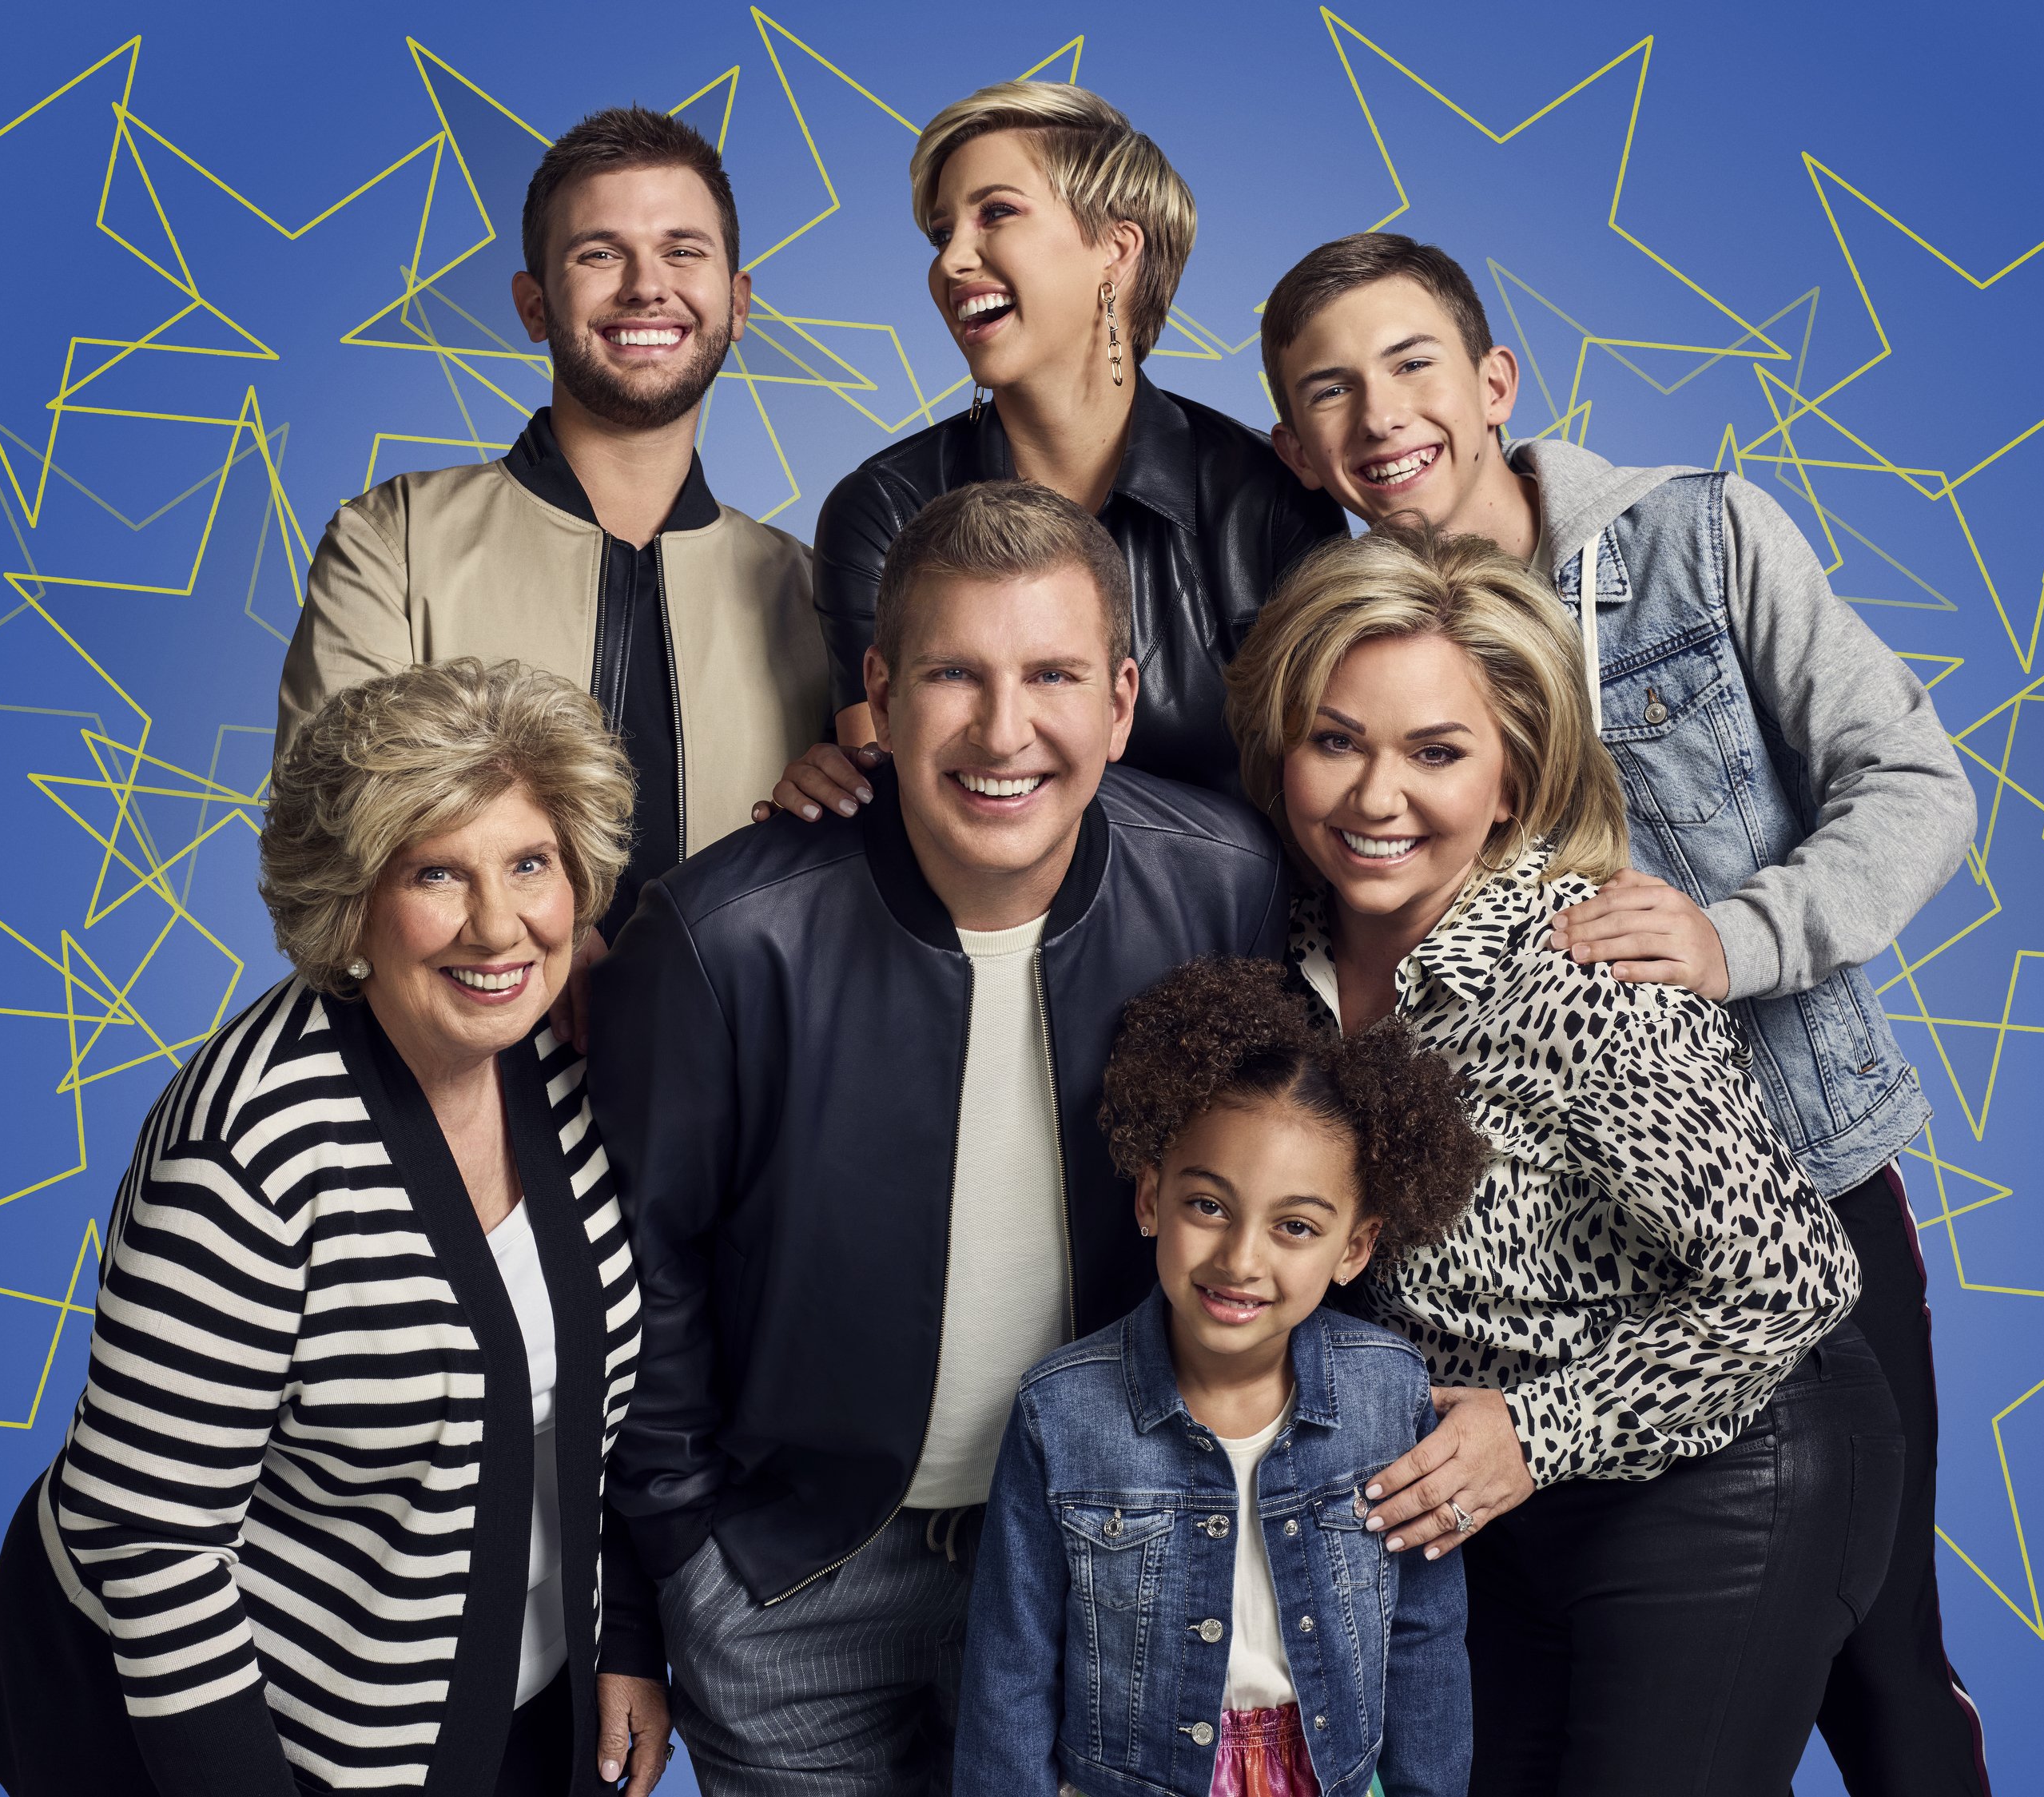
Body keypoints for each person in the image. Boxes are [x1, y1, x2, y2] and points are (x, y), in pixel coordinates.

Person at [1260, 231, 1987, 1796]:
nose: (1381, 415)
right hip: (1546, 1272)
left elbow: (1920, 783)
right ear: (1290, 443)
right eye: (1330, 389)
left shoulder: (1693, 542)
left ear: (1494, 383)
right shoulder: (1347, 643)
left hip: (1784, 1180)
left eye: (1411, 366)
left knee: (1877, 1652)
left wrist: (1736, 939)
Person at [585, 481, 1292, 1795]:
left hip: (1101, 1546)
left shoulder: (1220, 879)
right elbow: (641, 1276)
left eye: (1052, 674)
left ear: (1122, 701)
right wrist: (664, 1574)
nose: (1003, 727)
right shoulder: (721, 937)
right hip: (793, 1576)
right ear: (882, 693)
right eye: (954, 674)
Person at [1223, 530, 1903, 1795]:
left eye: (1436, 752)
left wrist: (1539, 1429)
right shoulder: (1290, 960)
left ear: (1515, 778)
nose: (1378, 798)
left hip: (1729, 1466)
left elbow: (1795, 1279)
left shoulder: (1576, 974)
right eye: (1336, 741)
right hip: (1508, 1494)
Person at [0, 661, 670, 1796]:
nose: (500, 924)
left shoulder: (557, 1058)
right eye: (438, 872)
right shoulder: (250, 1153)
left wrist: (624, 1641)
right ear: (352, 901)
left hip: (514, 1699)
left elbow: (585, 1413)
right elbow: (149, 1545)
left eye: (529, 863)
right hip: (250, 1735)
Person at [277, 105, 829, 984]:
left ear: (738, 302)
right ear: (535, 305)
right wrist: (550, 936)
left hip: (739, 1098)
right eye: (599, 253)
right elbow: (328, 822)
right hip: (454, 1082)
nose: (648, 285)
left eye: (684, 250)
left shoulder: (809, 591)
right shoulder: (393, 541)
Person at [956, 957, 1482, 1797]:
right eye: (1208, 1205)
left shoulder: (1389, 1396)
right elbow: (1010, 1673)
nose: (1241, 1259)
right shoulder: (1059, 1414)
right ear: (1150, 1197)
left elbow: (1424, 1639)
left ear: (1355, 1246)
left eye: (1296, 1226)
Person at [762, 81, 1346, 825]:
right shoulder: (882, 509)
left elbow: (1334, 780)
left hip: (1242, 932)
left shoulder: (1267, 499)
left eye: (996, 213)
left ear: (1117, 246)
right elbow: (915, 809)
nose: (951, 262)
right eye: (942, 235)